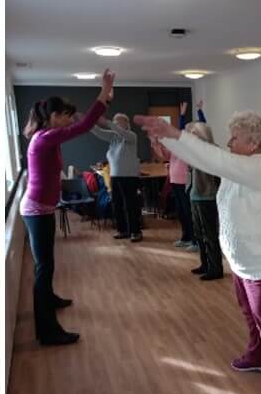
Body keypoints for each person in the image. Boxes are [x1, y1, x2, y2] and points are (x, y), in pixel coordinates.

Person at [137, 110, 261, 394]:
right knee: (250, 315)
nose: (229, 142)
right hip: (244, 261)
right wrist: (168, 141)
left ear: (253, 143)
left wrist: (175, 134)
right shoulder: (240, 168)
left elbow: (216, 159)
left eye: (235, 137)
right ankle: (257, 356)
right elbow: (204, 160)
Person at [21, 74, 112, 345]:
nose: (71, 121)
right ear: (55, 117)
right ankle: (47, 331)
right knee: (43, 268)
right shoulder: (45, 138)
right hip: (37, 211)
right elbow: (84, 126)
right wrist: (104, 93)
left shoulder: (46, 137)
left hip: (41, 209)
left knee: (46, 265)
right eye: (67, 116)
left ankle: (49, 299)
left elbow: (79, 125)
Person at [91, 112, 144, 241]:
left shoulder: (131, 136)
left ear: (126, 124)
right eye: (115, 122)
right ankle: (122, 230)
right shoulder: (113, 137)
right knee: (117, 205)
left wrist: (108, 123)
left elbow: (122, 133)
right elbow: (98, 132)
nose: (116, 125)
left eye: (118, 122)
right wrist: (88, 122)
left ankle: (135, 232)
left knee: (131, 205)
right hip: (115, 176)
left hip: (129, 177)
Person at [185, 122, 224, 280]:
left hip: (208, 196)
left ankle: (216, 268)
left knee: (210, 234)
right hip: (195, 195)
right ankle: (205, 264)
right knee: (199, 233)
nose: (191, 136)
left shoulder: (211, 148)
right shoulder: (196, 150)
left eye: (194, 133)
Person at [155, 134, 194, 248]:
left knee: (187, 211)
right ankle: (185, 237)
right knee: (181, 211)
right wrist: (157, 144)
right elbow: (165, 155)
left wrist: (163, 139)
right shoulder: (175, 146)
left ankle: (193, 239)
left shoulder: (185, 146)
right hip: (174, 180)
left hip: (183, 181)